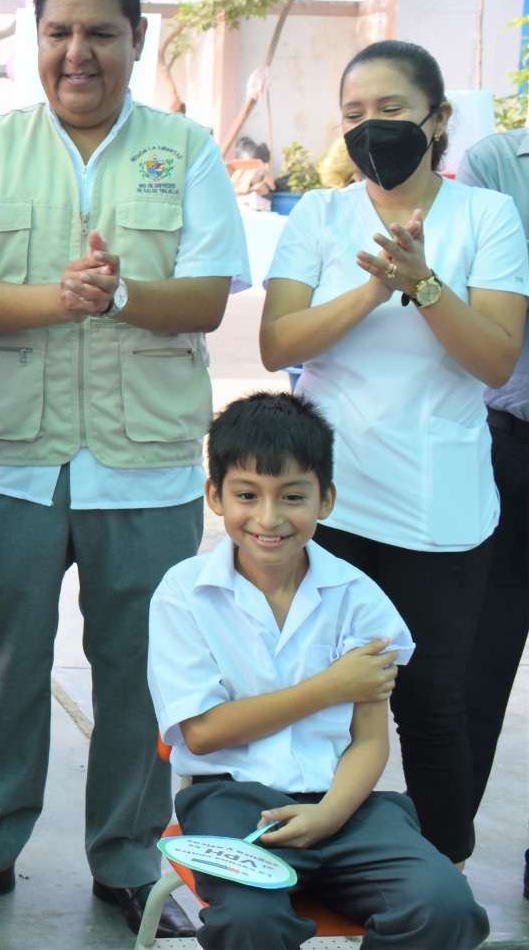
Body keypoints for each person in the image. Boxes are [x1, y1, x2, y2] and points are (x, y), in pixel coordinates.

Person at [0, 0, 245, 939]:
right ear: (33, 41)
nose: (77, 52)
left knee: (141, 673)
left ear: (136, 38)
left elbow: (213, 291)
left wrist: (125, 293)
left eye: (99, 31)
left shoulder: (182, 151)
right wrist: (55, 299)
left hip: (142, 464)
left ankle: (132, 861)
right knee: (0, 664)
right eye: (58, 32)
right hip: (10, 451)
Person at [259, 40, 529, 866]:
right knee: (314, 704)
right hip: (330, 510)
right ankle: (307, 869)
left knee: (434, 704)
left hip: (441, 513)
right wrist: (374, 287)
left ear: (437, 120)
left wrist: (425, 283)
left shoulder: (485, 217)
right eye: (353, 115)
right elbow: (277, 343)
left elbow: (494, 358)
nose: (371, 130)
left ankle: (439, 874)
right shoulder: (320, 216)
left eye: (391, 111)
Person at [148, 391, 490, 949]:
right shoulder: (185, 594)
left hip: (348, 803)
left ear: (326, 499)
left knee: (445, 904)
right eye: (246, 495)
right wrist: (329, 688)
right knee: (252, 922)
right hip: (231, 802)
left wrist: (330, 815)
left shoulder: (359, 598)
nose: (268, 518)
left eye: (292, 496)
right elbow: (203, 733)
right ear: (214, 495)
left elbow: (370, 742)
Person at [454, 127, 529, 891]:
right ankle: (447, 850)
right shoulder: (498, 163)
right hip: (515, 448)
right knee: (481, 662)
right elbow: (490, 298)